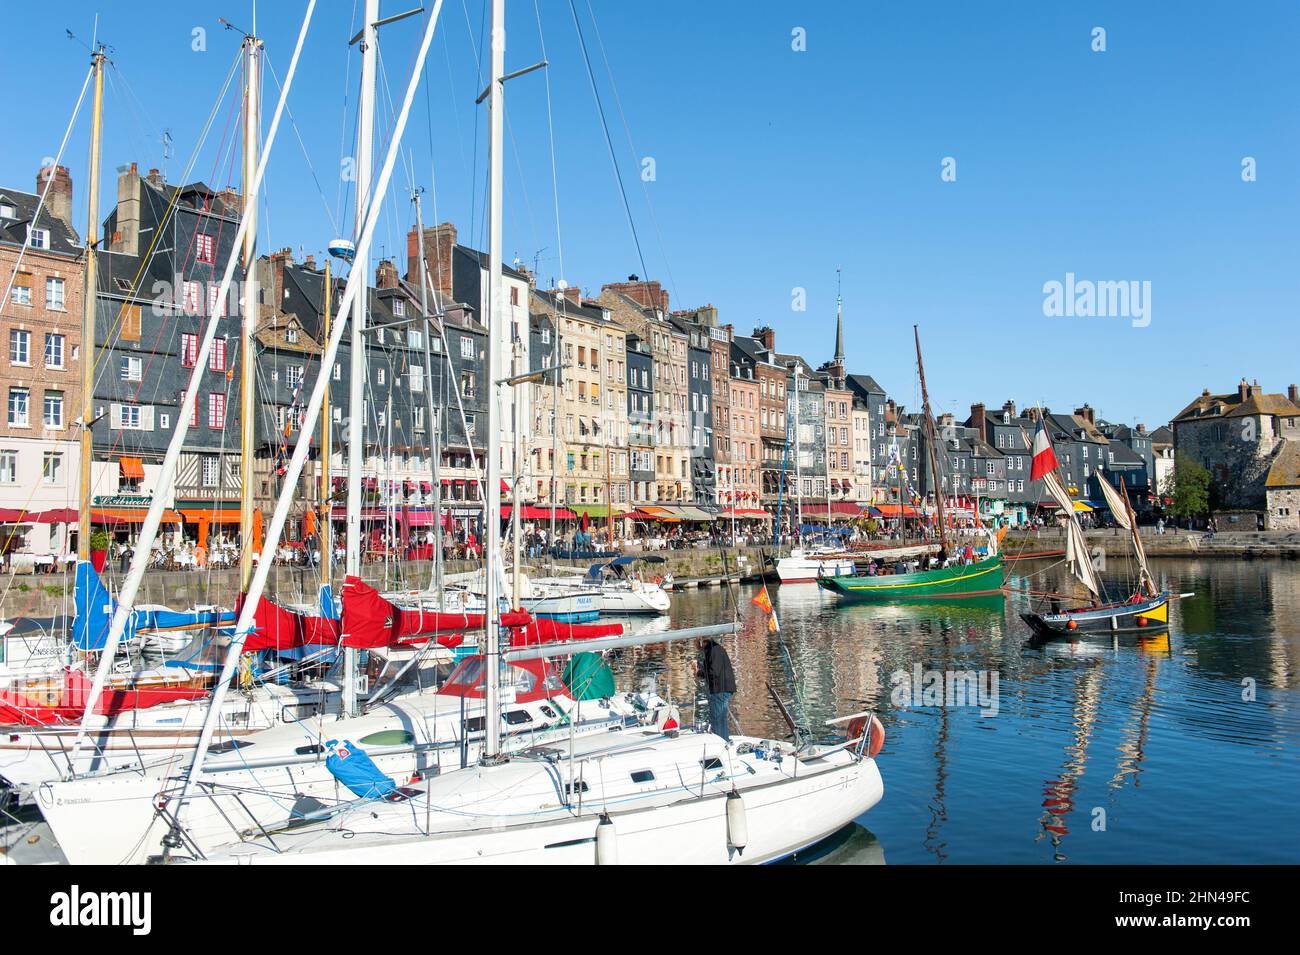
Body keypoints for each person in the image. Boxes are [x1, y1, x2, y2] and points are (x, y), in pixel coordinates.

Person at [694, 636, 736, 743]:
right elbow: (712, 669)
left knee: (717, 719)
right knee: (720, 719)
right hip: (722, 688)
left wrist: (699, 672)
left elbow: (714, 672)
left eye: (697, 642)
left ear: (703, 642)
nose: (696, 645)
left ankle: (720, 743)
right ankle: (724, 740)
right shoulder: (714, 649)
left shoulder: (713, 651)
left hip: (720, 689)